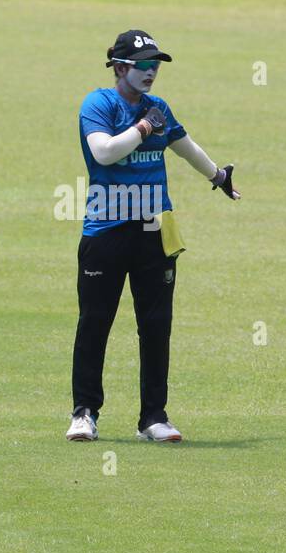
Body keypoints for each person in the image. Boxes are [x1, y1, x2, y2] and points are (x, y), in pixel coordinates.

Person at [67, 30, 240, 444]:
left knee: (156, 325)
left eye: (156, 66)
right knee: (95, 323)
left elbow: (184, 146)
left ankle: (153, 418)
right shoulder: (100, 104)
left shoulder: (159, 107)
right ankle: (84, 412)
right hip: (106, 231)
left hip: (153, 232)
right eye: (144, 66)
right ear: (121, 68)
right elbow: (105, 152)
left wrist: (218, 175)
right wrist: (144, 127)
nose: (151, 73)